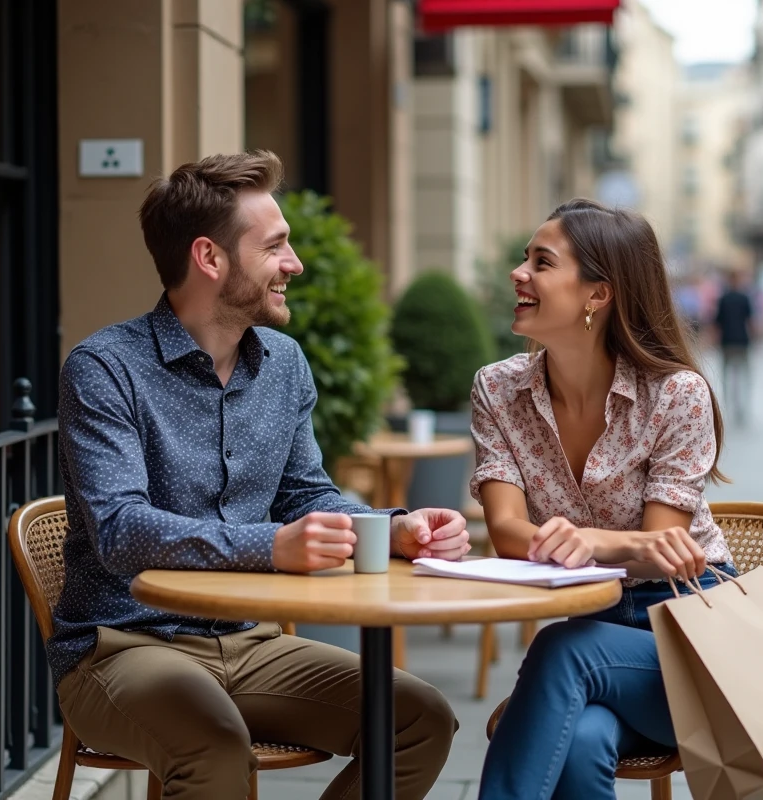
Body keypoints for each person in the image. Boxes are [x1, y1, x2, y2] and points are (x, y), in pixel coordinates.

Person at [52, 151, 468, 799]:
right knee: (215, 749)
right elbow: (120, 531)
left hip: (251, 643)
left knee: (419, 720)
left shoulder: (283, 364)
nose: (295, 264)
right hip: (121, 646)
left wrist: (395, 529)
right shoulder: (104, 369)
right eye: (276, 246)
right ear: (210, 259)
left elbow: (307, 494)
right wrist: (270, 547)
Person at [469, 199, 738, 800]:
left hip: (690, 639)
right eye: (524, 259)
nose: (518, 273)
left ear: (598, 295)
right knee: (585, 737)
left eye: (541, 262)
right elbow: (506, 529)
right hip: (596, 633)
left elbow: (660, 551)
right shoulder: (499, 388)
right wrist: (583, 544)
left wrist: (591, 542)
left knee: (562, 649)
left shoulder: (676, 395)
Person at [713, 268, 754, 424]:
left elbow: (717, 322)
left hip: (727, 341)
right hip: (742, 341)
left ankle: (731, 403)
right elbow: (750, 321)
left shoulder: (723, 299)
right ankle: (741, 406)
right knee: (744, 375)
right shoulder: (744, 298)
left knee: (728, 375)